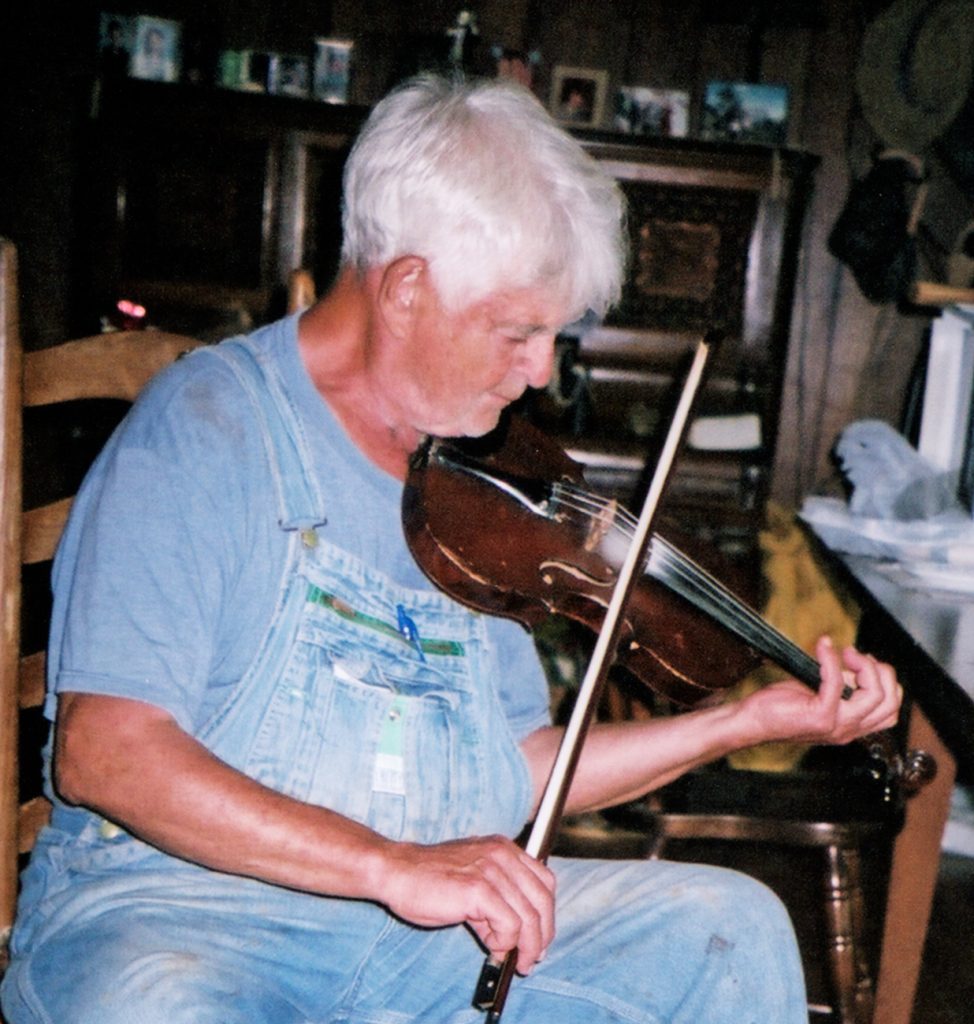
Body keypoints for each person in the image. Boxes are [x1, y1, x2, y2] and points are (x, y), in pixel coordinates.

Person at [1, 74, 902, 1024]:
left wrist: (741, 723)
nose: (541, 371)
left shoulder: (476, 495)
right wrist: (391, 865)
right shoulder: (208, 430)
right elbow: (107, 755)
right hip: (175, 926)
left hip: (413, 945)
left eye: (553, 336)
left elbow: (519, 764)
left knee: (730, 933)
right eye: (517, 331)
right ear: (407, 288)